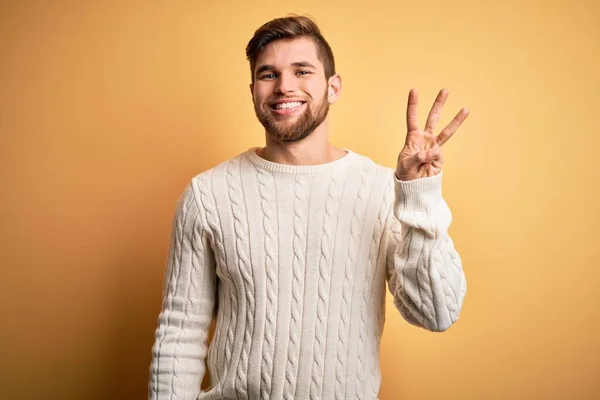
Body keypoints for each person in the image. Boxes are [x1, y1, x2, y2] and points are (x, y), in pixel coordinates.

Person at [148, 14, 468, 400]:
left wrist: (420, 194)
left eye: (302, 71)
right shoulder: (208, 193)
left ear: (333, 87)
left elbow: (436, 313)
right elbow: (180, 334)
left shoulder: (383, 189)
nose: (285, 86)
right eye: (269, 75)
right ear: (253, 90)